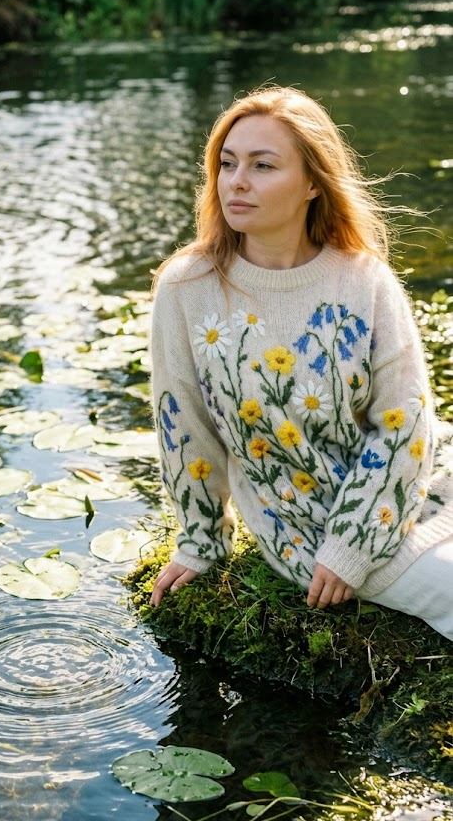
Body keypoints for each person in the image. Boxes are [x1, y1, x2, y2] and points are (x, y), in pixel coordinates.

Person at [149, 84, 453, 641]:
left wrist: (358, 535)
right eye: (227, 163)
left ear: (313, 182)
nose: (236, 181)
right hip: (308, 523)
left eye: (262, 165)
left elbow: (404, 420)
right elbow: (184, 425)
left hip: (416, 480)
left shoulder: (363, 278)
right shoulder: (188, 287)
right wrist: (201, 540)